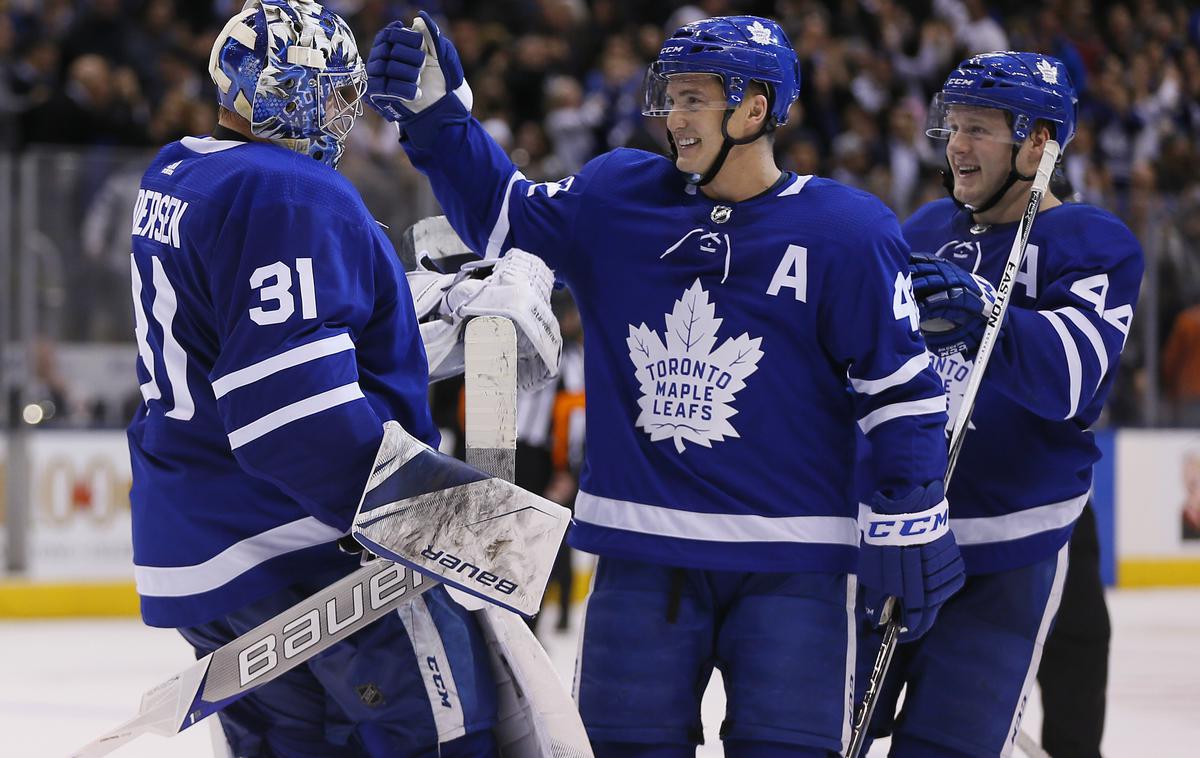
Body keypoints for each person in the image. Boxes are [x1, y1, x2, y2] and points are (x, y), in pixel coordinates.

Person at [365, 13, 964, 756]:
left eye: (694, 99)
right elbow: (505, 216)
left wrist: (912, 514)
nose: (673, 118)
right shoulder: (618, 197)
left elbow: (900, 393)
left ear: (755, 108)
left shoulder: (848, 231)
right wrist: (439, 119)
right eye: (670, 97)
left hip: (799, 567)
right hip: (641, 556)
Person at [127, 2, 500, 755]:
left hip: (205, 544)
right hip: (313, 550)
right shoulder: (289, 190)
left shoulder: (180, 169)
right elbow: (293, 417)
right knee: (449, 739)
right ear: (279, 89)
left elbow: (244, 339)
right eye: (328, 90)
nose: (342, 113)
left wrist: (399, 314)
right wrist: (446, 521)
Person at [855, 52, 1143, 756]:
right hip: (897, 538)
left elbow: (1074, 380)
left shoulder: (1090, 241)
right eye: (953, 127)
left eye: (979, 129)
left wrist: (989, 313)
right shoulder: (923, 229)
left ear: (1039, 141)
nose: (956, 145)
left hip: (1012, 548)